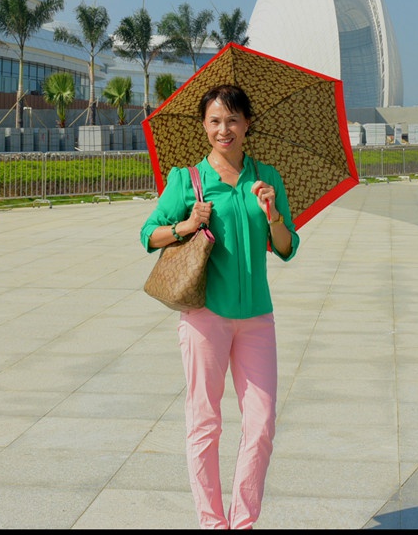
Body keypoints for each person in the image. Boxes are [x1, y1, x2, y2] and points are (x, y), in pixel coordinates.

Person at [140, 84, 300, 529]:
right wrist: (186, 224)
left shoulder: (266, 178)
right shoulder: (187, 180)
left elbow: (286, 248)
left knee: (262, 424)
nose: (223, 129)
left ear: (247, 124)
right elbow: (148, 234)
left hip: (256, 319)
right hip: (205, 317)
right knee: (205, 422)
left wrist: (272, 214)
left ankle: (243, 522)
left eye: (232, 120)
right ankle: (213, 523)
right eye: (214, 121)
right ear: (204, 126)